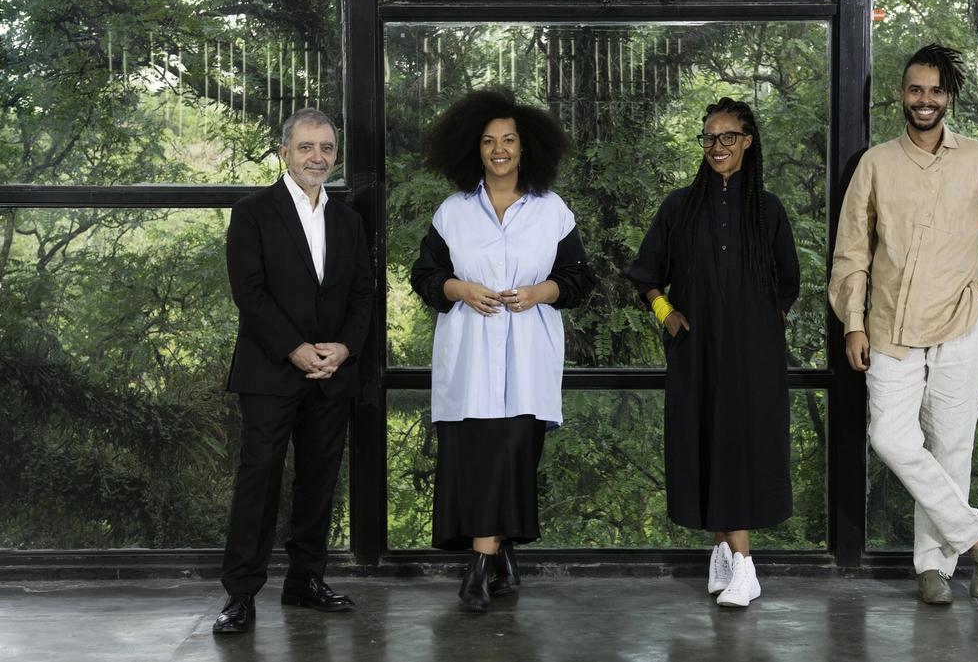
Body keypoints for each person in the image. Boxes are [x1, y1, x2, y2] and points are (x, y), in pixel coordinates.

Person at [829, 44, 978, 604]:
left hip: (960, 323)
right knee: (890, 437)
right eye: (915, 89)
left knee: (951, 448)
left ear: (950, 97)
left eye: (935, 90)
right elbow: (851, 253)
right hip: (889, 327)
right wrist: (853, 322)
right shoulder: (875, 163)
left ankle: (934, 570)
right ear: (902, 93)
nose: (925, 100)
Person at [410, 89, 596, 614]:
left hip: (529, 361)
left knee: (514, 458)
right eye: (489, 141)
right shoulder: (453, 212)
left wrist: (539, 293)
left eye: (509, 140)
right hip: (468, 361)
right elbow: (423, 277)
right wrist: (459, 289)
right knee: (479, 463)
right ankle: (485, 565)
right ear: (475, 148)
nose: (499, 150)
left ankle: (490, 559)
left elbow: (581, 281)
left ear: (525, 147)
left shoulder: (552, 212)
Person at [626, 97, 800, 608]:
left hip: (753, 360)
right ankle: (725, 556)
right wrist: (666, 313)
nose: (717, 146)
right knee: (706, 445)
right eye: (709, 137)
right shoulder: (679, 207)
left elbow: (788, 283)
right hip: (696, 353)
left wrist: (753, 326)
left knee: (740, 450)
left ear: (748, 141)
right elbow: (644, 275)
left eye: (728, 137)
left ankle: (743, 566)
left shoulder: (768, 210)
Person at [213, 108, 374, 634]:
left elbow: (362, 294)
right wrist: (295, 349)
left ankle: (306, 580)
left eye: (326, 148)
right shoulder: (253, 212)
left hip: (332, 372)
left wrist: (344, 349)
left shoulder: (349, 219)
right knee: (258, 481)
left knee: (319, 481)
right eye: (306, 147)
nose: (317, 157)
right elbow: (250, 294)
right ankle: (240, 595)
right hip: (269, 372)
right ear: (284, 152)